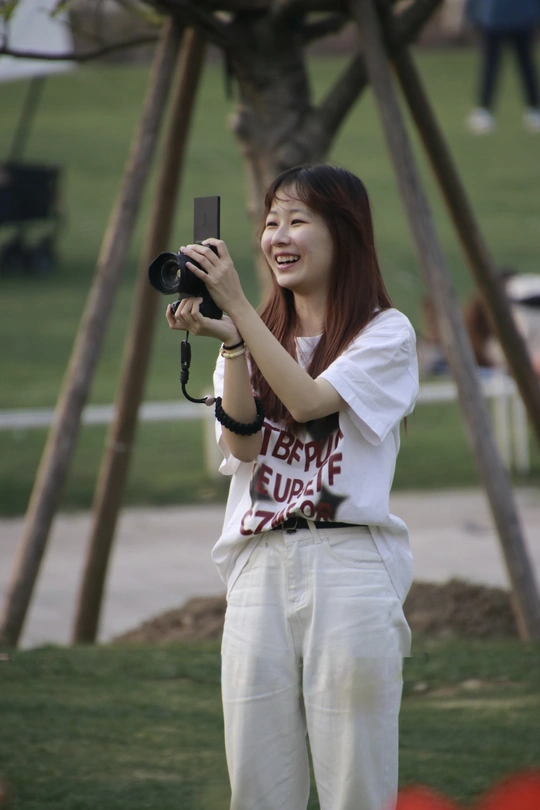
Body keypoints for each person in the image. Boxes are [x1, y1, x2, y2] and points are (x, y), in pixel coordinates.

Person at [166, 164, 419, 810]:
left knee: (356, 784)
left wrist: (239, 311)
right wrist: (232, 347)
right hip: (258, 564)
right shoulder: (253, 334)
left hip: (349, 563)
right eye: (271, 221)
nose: (277, 236)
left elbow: (307, 402)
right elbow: (244, 446)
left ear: (344, 233)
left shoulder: (385, 333)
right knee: (258, 785)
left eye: (298, 220)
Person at [465, 0, 540, 134]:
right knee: (490, 65)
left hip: (522, 17)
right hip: (493, 17)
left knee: (526, 64)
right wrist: (473, 13)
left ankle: (534, 109)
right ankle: (484, 110)